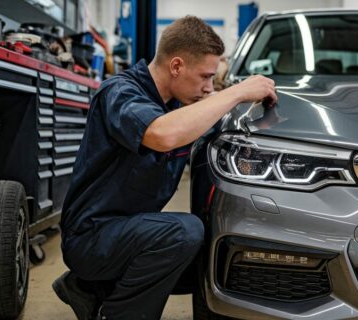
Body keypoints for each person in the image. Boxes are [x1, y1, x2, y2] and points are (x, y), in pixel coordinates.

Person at [51, 16, 276, 320]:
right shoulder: (119, 92)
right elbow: (162, 134)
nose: (210, 88)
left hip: (128, 233)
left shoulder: (176, 103)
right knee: (184, 233)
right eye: (205, 77)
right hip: (91, 237)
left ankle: (90, 289)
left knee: (213, 251)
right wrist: (235, 92)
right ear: (176, 66)